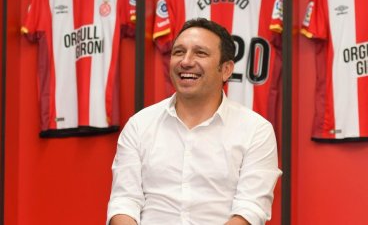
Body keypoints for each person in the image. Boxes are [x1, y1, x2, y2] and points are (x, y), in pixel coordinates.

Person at [107, 18, 282, 225]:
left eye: (200, 53)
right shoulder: (139, 125)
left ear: (226, 69)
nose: (186, 61)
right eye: (179, 52)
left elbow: (250, 210)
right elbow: (124, 201)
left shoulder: (256, 130)